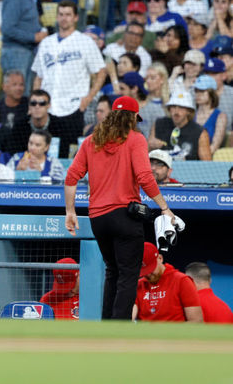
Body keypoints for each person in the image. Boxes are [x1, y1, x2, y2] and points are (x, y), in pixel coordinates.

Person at [64, 96, 175, 320]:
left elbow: (71, 177)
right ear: (133, 117)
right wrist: (164, 208)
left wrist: (70, 211)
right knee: (128, 274)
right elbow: (145, 176)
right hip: (124, 215)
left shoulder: (90, 141)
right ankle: (119, 327)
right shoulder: (135, 139)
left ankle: (107, 323)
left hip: (98, 218)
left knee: (112, 271)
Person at [32, 0, 106, 145]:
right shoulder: (46, 43)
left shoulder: (85, 41)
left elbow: (101, 72)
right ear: (56, 17)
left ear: (75, 17)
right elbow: (38, 77)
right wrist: (35, 103)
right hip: (49, 108)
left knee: (71, 153)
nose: (64, 18)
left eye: (68, 14)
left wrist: (88, 98)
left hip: (74, 107)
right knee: (47, 151)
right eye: (61, 14)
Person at [0, 0, 48, 90]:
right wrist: (33, 37)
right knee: (17, 94)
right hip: (16, 53)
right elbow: (7, 29)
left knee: (25, 95)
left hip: (27, 51)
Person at [133, 242, 203, 322]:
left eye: (151, 269)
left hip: (175, 334)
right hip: (145, 334)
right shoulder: (139, 285)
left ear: (160, 258)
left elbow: (196, 321)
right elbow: (128, 317)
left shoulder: (182, 280)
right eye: (144, 271)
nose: (148, 274)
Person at [148, 91, 212, 161]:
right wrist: (150, 146)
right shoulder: (159, 124)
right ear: (169, 109)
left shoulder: (200, 133)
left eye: (181, 107)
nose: (176, 112)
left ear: (189, 111)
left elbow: (207, 164)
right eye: (173, 107)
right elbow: (146, 153)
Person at [11, 89, 74, 158]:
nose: (37, 107)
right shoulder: (20, 126)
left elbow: (64, 154)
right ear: (29, 106)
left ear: (49, 105)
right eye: (33, 103)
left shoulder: (60, 126)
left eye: (42, 103)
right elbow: (15, 154)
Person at [193, 75, 228, 154]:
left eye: (202, 91)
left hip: (208, 160)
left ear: (211, 93)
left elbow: (215, 146)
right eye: (196, 90)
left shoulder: (221, 117)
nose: (198, 94)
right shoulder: (190, 114)